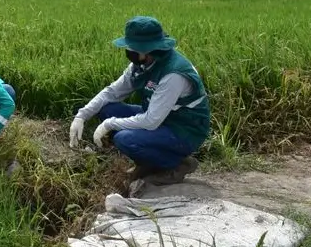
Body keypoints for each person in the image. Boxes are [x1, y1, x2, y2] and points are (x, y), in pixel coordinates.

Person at [69, 16, 211, 188]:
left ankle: (176, 164)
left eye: (132, 47)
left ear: (148, 49)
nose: (128, 51)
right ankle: (150, 161)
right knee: (107, 109)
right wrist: (81, 116)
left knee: (124, 139)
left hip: (183, 130)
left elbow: (151, 121)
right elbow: (112, 92)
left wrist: (109, 124)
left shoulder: (173, 74)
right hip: (161, 117)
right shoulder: (141, 65)